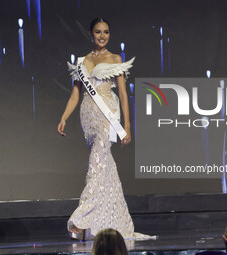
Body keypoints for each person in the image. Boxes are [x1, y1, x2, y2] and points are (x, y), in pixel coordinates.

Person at [58, 17, 155, 241]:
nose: (103, 36)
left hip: (108, 113)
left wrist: (127, 126)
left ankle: (82, 220)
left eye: (106, 32)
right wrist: (64, 117)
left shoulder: (115, 58)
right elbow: (75, 94)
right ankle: (107, 222)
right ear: (91, 34)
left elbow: (122, 94)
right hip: (88, 115)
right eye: (98, 32)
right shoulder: (82, 61)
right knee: (105, 167)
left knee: (97, 163)